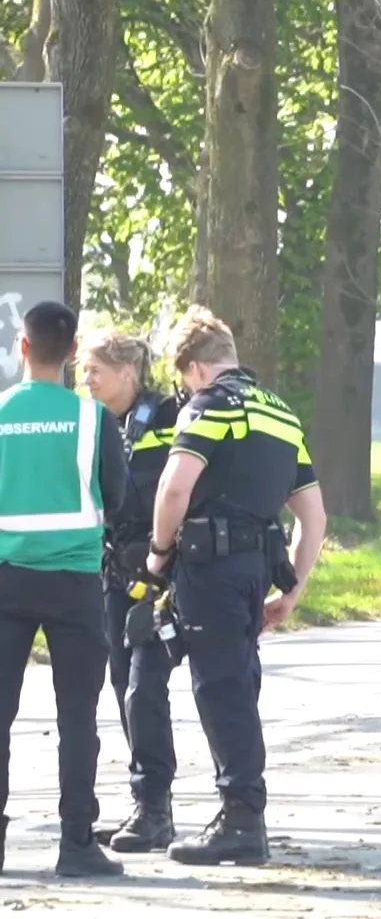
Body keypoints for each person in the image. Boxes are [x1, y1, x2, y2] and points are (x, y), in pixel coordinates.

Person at [145, 306, 328, 866]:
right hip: (255, 569)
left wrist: (156, 555)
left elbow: (176, 489)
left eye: (183, 380)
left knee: (220, 689)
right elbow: (314, 516)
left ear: (196, 368)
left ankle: (242, 820)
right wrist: (293, 590)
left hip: (211, 566)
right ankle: (242, 812)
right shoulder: (281, 413)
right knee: (239, 684)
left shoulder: (209, 405)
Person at [0, 301, 130, 877]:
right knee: (78, 717)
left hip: (4, 580)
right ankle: (76, 844)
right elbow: (118, 498)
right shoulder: (92, 418)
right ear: (74, 352)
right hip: (76, 582)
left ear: (22, 349)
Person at [78, 329, 186, 853]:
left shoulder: (170, 417)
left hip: (162, 575)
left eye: (95, 369)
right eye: (82, 369)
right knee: (124, 685)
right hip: (115, 576)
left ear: (127, 372)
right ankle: (148, 806)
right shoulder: (95, 425)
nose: (86, 379)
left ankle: (155, 808)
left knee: (144, 686)